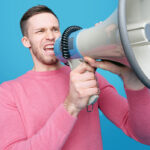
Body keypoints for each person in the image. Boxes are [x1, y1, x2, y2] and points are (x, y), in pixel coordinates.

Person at [0, 5, 150, 150]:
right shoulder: (8, 92)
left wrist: (133, 81)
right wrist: (71, 106)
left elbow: (145, 136)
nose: (51, 36)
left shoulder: (88, 77)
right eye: (40, 31)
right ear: (26, 42)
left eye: (55, 29)